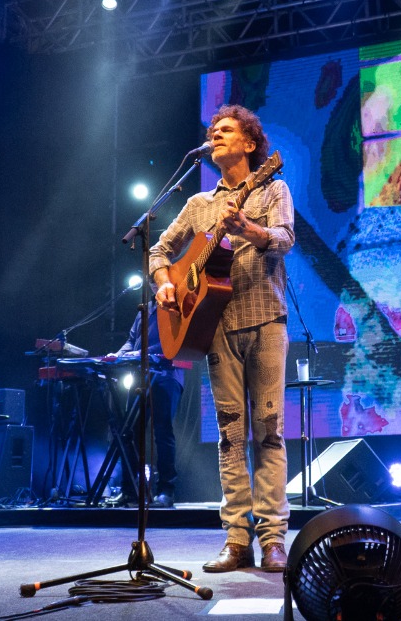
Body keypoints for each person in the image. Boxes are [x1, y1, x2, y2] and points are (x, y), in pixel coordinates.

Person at [149, 105, 295, 573]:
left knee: (267, 434)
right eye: (212, 131)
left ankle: (273, 539)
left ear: (251, 145)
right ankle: (236, 540)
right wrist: (165, 283)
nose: (215, 135)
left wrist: (246, 228)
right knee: (230, 439)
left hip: (266, 321)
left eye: (226, 130)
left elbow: (284, 238)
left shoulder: (272, 186)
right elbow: (159, 249)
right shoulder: (198, 205)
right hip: (216, 330)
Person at [108, 303, 185, 509]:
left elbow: (173, 341)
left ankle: (166, 491)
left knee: (162, 431)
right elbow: (132, 340)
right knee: (129, 432)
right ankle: (129, 490)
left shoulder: (175, 304)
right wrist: (119, 354)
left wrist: (140, 353)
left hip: (167, 375)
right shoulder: (146, 307)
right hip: (141, 376)